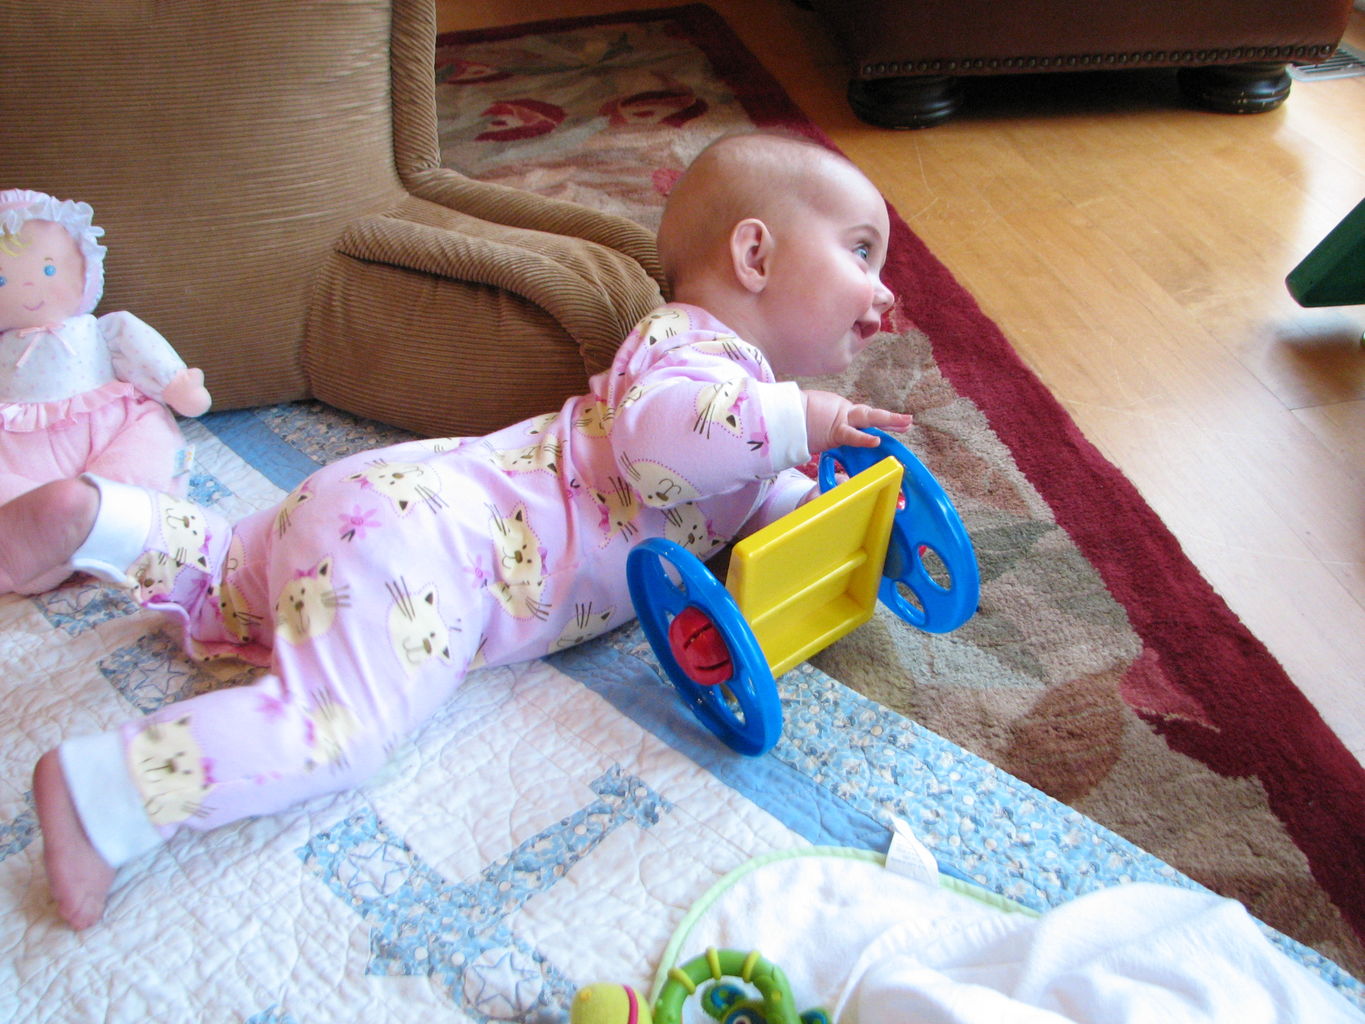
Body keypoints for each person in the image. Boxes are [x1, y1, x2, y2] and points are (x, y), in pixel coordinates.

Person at [2, 131, 907, 930]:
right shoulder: (691, 350)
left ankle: (104, 520)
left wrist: (840, 512)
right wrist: (802, 419)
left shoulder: (746, 418)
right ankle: (109, 793)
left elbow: (748, 517)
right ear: (754, 253)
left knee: (242, 570)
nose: (883, 292)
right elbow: (665, 442)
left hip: (387, 501)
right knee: (333, 728)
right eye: (861, 252)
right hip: (437, 550)